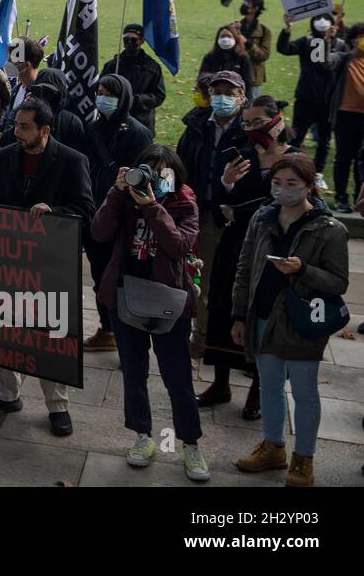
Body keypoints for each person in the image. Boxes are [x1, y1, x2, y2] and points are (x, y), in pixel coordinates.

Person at [0, 98, 95, 436]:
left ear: (45, 130)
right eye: (16, 125)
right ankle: (6, 394)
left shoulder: (73, 161)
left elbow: (86, 210)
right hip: (9, 262)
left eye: (24, 127)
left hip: (50, 264)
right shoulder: (3, 156)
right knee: (3, 327)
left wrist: (53, 210)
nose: (17, 131)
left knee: (49, 333)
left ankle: (57, 406)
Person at [90, 144, 210, 481]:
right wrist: (117, 192)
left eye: (162, 173)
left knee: (178, 378)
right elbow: (98, 232)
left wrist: (153, 207)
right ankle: (143, 436)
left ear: (175, 176)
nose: (154, 179)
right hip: (126, 295)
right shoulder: (124, 198)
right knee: (133, 371)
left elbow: (179, 246)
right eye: (148, 171)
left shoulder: (185, 202)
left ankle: (190, 444)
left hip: (169, 299)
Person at [231, 154, 348, 487]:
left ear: (309, 187)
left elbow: (339, 283)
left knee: (304, 391)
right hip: (263, 315)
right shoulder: (262, 219)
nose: (281, 190)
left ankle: (303, 458)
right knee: (268, 385)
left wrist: (303, 269)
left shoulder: (329, 229)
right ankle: (273, 446)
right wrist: (239, 315)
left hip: (301, 321)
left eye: (291, 184)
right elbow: (244, 269)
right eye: (276, 183)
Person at [197, 95, 300, 419]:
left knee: (262, 314)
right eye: (247, 123)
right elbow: (220, 196)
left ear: (277, 121)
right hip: (237, 245)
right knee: (225, 306)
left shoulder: (294, 160)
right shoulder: (240, 157)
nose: (252, 128)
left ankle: (257, 389)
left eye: (258, 122)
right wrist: (227, 183)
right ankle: (221, 382)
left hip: (275, 249)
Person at [176, 69, 250, 356]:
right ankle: (201, 335)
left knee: (234, 281)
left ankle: (232, 341)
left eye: (229, 94)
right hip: (201, 213)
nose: (221, 99)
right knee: (201, 279)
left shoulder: (248, 131)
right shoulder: (196, 126)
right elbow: (180, 166)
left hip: (235, 216)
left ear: (241, 98)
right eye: (216, 93)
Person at [81, 74, 153, 351]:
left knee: (122, 278)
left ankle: (131, 337)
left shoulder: (137, 132)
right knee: (101, 276)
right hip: (95, 214)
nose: (103, 98)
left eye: (109, 94)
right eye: (100, 92)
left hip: (122, 217)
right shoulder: (93, 128)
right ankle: (108, 328)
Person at [277, 12, 342, 191]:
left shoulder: (340, 45)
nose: (322, 22)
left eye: (326, 19)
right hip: (306, 98)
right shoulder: (307, 42)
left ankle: (318, 173)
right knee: (297, 136)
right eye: (318, 19)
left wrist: (328, 41)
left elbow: (331, 63)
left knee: (324, 139)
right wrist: (287, 28)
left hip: (328, 101)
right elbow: (284, 48)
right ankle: (296, 169)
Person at [328, 22, 364, 212]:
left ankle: (360, 198)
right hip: (346, 115)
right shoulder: (343, 59)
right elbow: (320, 59)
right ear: (353, 40)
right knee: (344, 157)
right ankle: (341, 198)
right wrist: (325, 39)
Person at [101, 24, 166, 137]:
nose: (129, 43)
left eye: (134, 39)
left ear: (142, 41)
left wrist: (135, 100)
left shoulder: (152, 67)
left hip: (142, 121)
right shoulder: (113, 65)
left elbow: (159, 95)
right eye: (126, 39)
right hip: (114, 119)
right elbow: (99, 88)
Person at [198, 22, 253, 94]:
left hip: (235, 98)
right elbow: (201, 77)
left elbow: (248, 82)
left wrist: (246, 102)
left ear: (235, 39)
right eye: (222, 36)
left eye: (229, 36)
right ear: (217, 39)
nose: (225, 39)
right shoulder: (209, 57)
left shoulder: (243, 57)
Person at [238, 0, 272, 100]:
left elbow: (264, 56)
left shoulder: (265, 31)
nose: (244, 5)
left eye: (248, 3)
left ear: (255, 8)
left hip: (253, 77)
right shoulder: (235, 27)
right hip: (235, 74)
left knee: (251, 108)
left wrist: (248, 44)